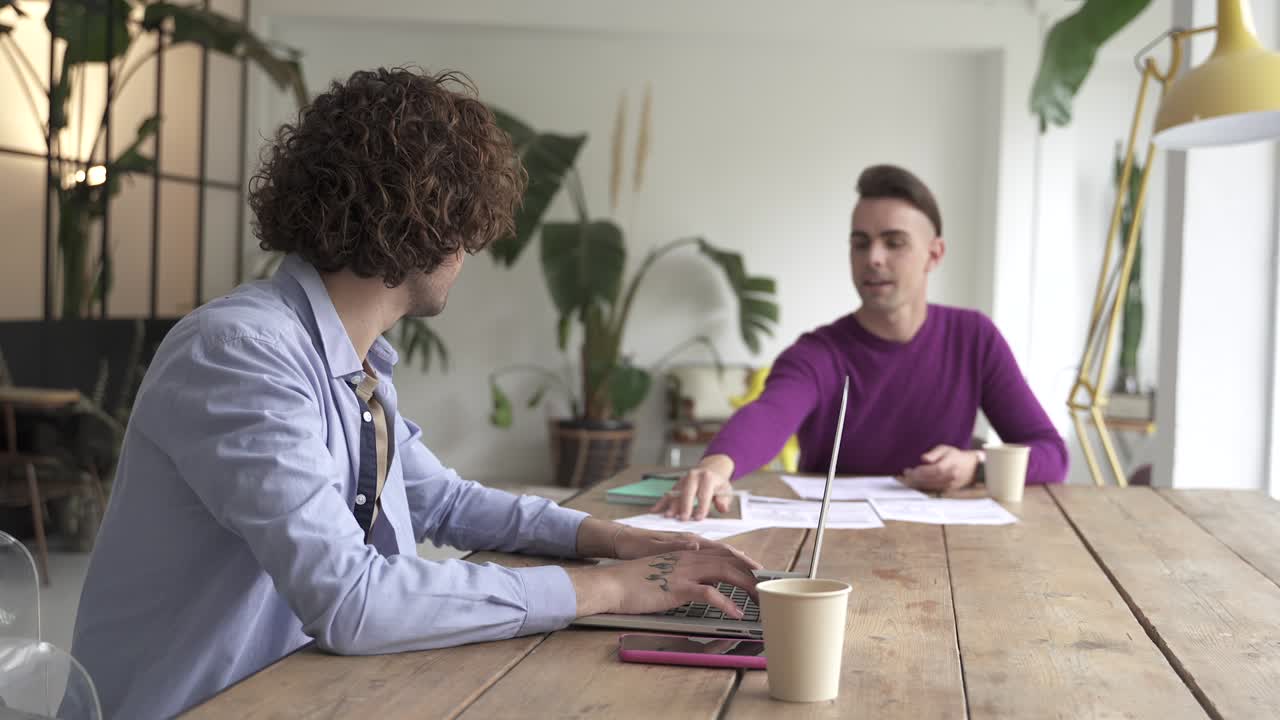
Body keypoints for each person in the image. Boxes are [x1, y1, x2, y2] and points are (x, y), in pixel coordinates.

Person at [68, 67, 760, 720]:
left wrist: (612, 541)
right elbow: (351, 599)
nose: (471, 252)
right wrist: (603, 592)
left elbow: (441, 499)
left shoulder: (345, 359)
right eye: (466, 228)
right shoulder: (241, 355)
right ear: (424, 227)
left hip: (306, 688)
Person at [653, 164, 1068, 521]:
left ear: (934, 254)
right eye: (860, 242)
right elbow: (769, 414)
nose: (873, 257)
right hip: (828, 548)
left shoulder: (974, 338)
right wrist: (715, 467)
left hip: (946, 547)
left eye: (894, 242)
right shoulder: (817, 353)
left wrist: (976, 465)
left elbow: (1051, 453)